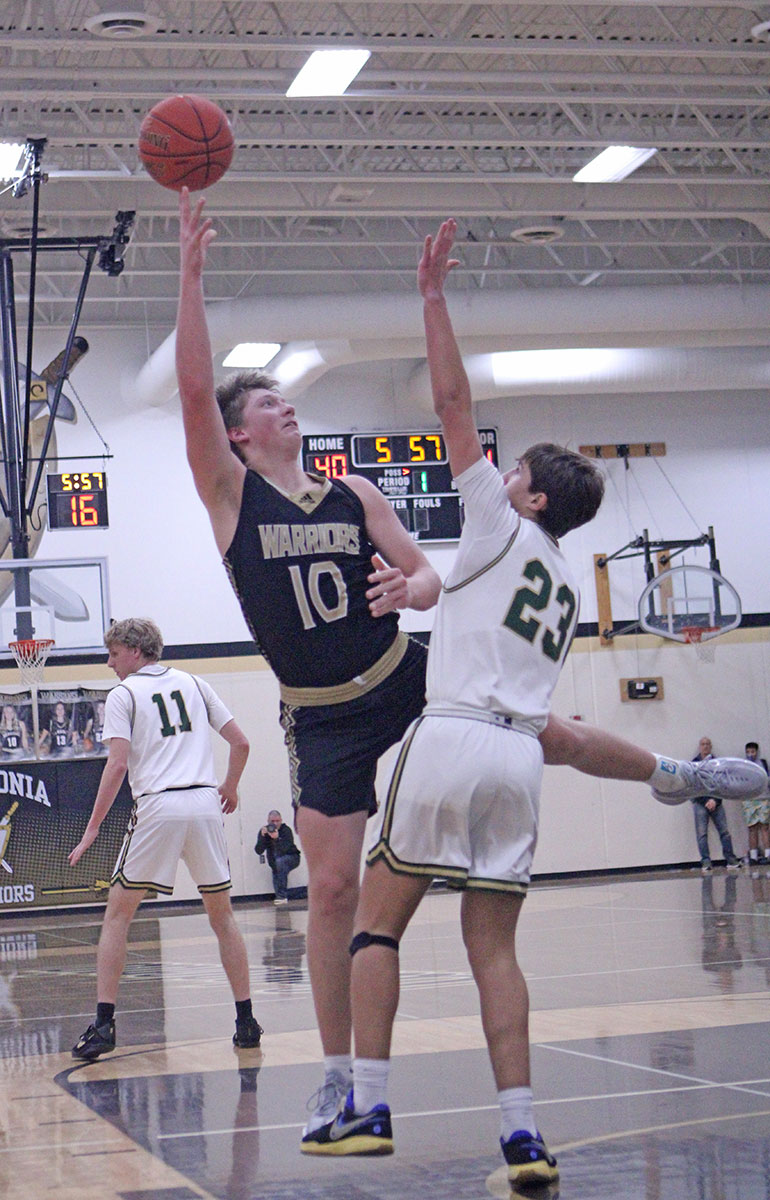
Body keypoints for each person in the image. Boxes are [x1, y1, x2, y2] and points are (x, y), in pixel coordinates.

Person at [175, 190, 767, 1139]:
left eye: (290, 398)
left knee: (545, 729)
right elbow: (191, 393)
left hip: (402, 677)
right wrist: (193, 275)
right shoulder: (230, 495)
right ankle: (339, 1078)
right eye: (271, 402)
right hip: (319, 710)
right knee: (331, 891)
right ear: (240, 432)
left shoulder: (355, 490)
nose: (289, 405)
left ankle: (677, 775)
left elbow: (424, 576)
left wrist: (414, 590)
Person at [68, 617, 262, 1059]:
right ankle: (246, 1020)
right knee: (223, 918)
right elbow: (242, 743)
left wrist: (94, 826)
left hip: (158, 806)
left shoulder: (124, 695)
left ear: (136, 651)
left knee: (118, 916)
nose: (110, 663)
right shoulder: (194, 682)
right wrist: (229, 787)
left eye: (114, 654)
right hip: (203, 805)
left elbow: (117, 766)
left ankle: (103, 1025)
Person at [690, 736, 742, 874]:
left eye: (708, 744)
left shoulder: (718, 763)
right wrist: (705, 801)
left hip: (716, 801)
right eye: (703, 744)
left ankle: (731, 860)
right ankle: (706, 862)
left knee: (724, 832)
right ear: (699, 746)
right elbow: (692, 787)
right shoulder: (693, 764)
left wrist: (715, 800)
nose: (705, 746)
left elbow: (722, 784)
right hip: (700, 802)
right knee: (702, 834)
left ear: (711, 746)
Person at [256, 808, 301, 903]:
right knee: (276, 869)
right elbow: (258, 850)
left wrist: (277, 839)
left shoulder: (286, 830)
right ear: (268, 821)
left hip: (292, 857)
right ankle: (280, 895)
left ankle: (282, 896)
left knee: (280, 862)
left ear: (281, 820)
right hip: (275, 860)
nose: (275, 824)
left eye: (277, 821)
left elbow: (284, 849)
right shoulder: (264, 831)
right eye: (273, 821)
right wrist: (263, 838)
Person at [742, 741, 770, 871]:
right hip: (749, 800)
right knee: (752, 828)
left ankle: (768, 855)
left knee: (764, 827)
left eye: (752, 752)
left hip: (763, 798)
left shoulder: (762, 764)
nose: (750, 754)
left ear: (756, 752)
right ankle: (753, 856)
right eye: (748, 752)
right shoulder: (743, 766)